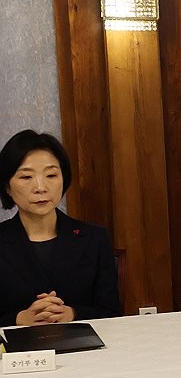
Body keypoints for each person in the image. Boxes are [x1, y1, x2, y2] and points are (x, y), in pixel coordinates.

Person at [0, 130, 121, 326]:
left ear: (63, 179)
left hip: (85, 351)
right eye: (26, 177)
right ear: (7, 186)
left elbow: (112, 313)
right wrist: (19, 319)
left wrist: (72, 313)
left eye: (51, 175)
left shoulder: (94, 238)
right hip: (17, 353)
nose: (41, 187)